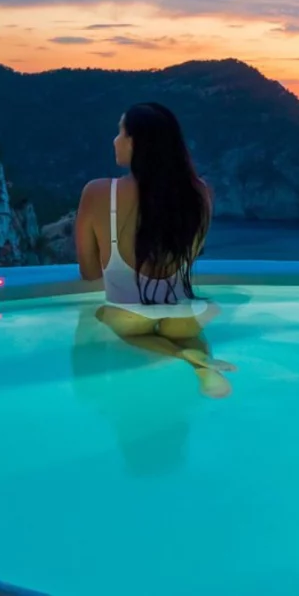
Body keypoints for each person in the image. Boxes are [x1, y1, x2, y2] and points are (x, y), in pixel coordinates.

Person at [75, 102, 234, 398]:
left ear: (135, 142)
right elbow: (192, 252)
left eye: (120, 132)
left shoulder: (98, 193)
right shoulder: (200, 194)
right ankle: (201, 364)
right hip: (183, 315)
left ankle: (187, 358)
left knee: (103, 316)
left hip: (128, 317)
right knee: (186, 334)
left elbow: (89, 272)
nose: (115, 140)